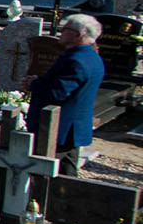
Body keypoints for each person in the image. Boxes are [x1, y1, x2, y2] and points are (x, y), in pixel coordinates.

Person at [29, 14, 107, 162]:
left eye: (65, 29)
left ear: (78, 35)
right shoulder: (91, 56)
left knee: (47, 172)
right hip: (72, 127)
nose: (61, 32)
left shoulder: (75, 61)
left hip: (60, 129)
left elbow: (57, 94)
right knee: (66, 171)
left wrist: (34, 83)